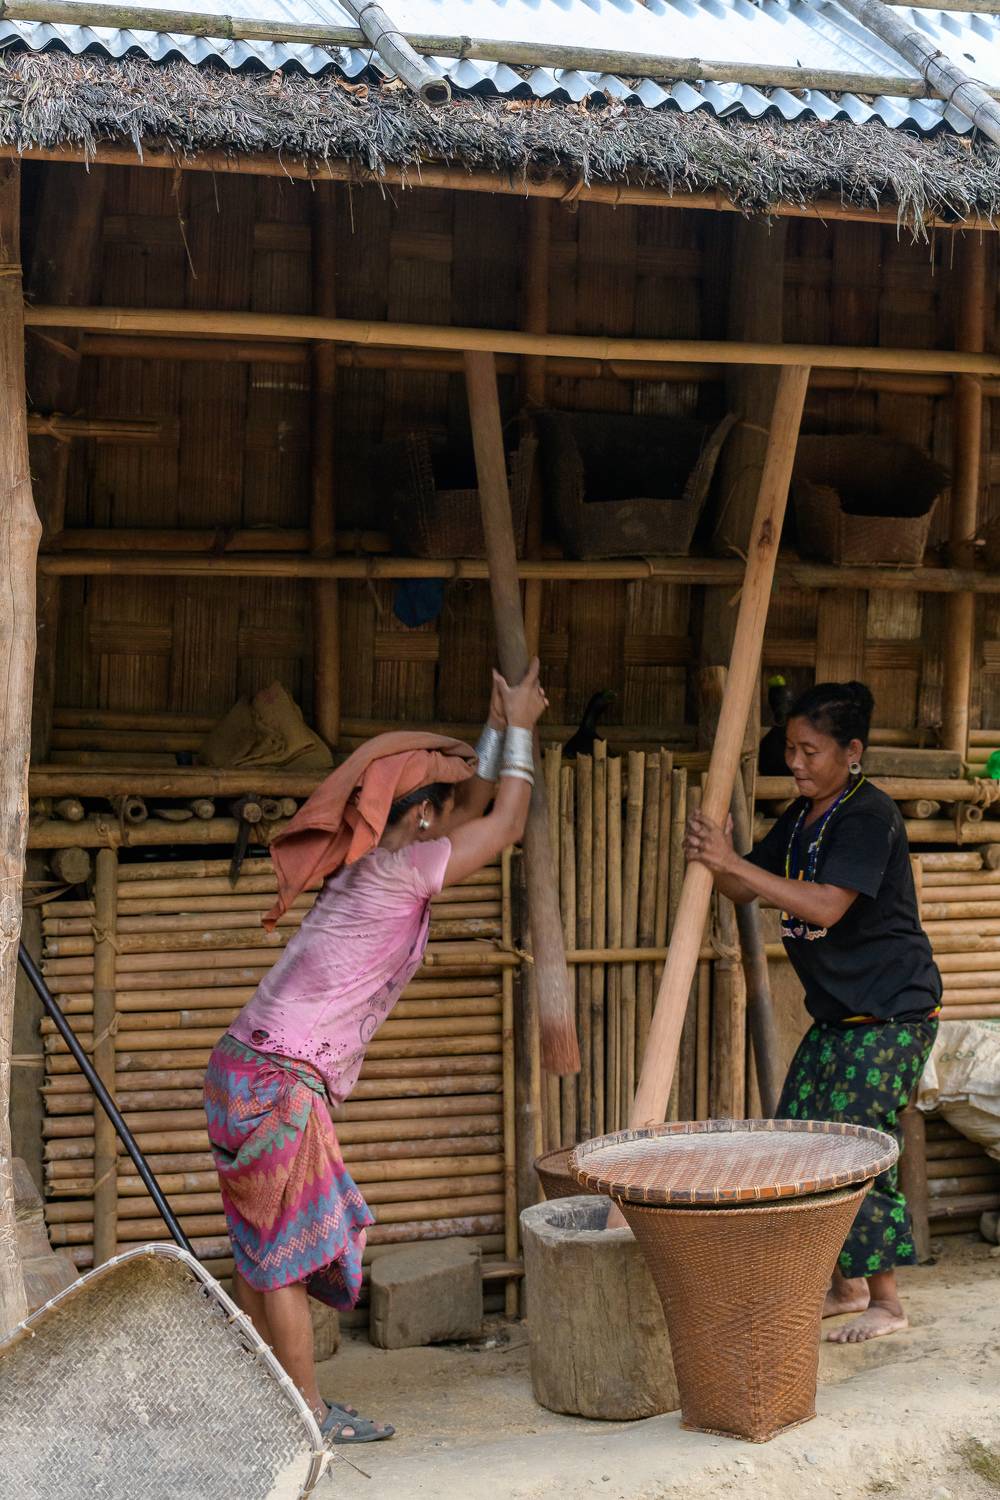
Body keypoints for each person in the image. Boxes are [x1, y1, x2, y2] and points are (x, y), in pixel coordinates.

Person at [204, 661, 548, 1441]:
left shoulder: (367, 865)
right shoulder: (403, 874)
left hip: (239, 1067)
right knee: (282, 1258)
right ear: (423, 818)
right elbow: (503, 824)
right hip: (279, 1080)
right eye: (443, 809)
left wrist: (498, 725)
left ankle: (276, 1406)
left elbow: (470, 804)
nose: (455, 816)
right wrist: (523, 732)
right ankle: (308, 1416)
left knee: (260, 1254)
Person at [684, 681, 941, 1346]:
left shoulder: (867, 816)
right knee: (797, 1140)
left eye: (810, 751)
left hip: (891, 1015)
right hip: (838, 1018)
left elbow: (826, 904)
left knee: (857, 1145)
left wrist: (733, 865)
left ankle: (887, 1302)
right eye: (790, 749)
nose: (794, 762)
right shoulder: (803, 817)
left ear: (851, 751)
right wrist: (719, 859)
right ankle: (846, 1287)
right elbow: (745, 886)